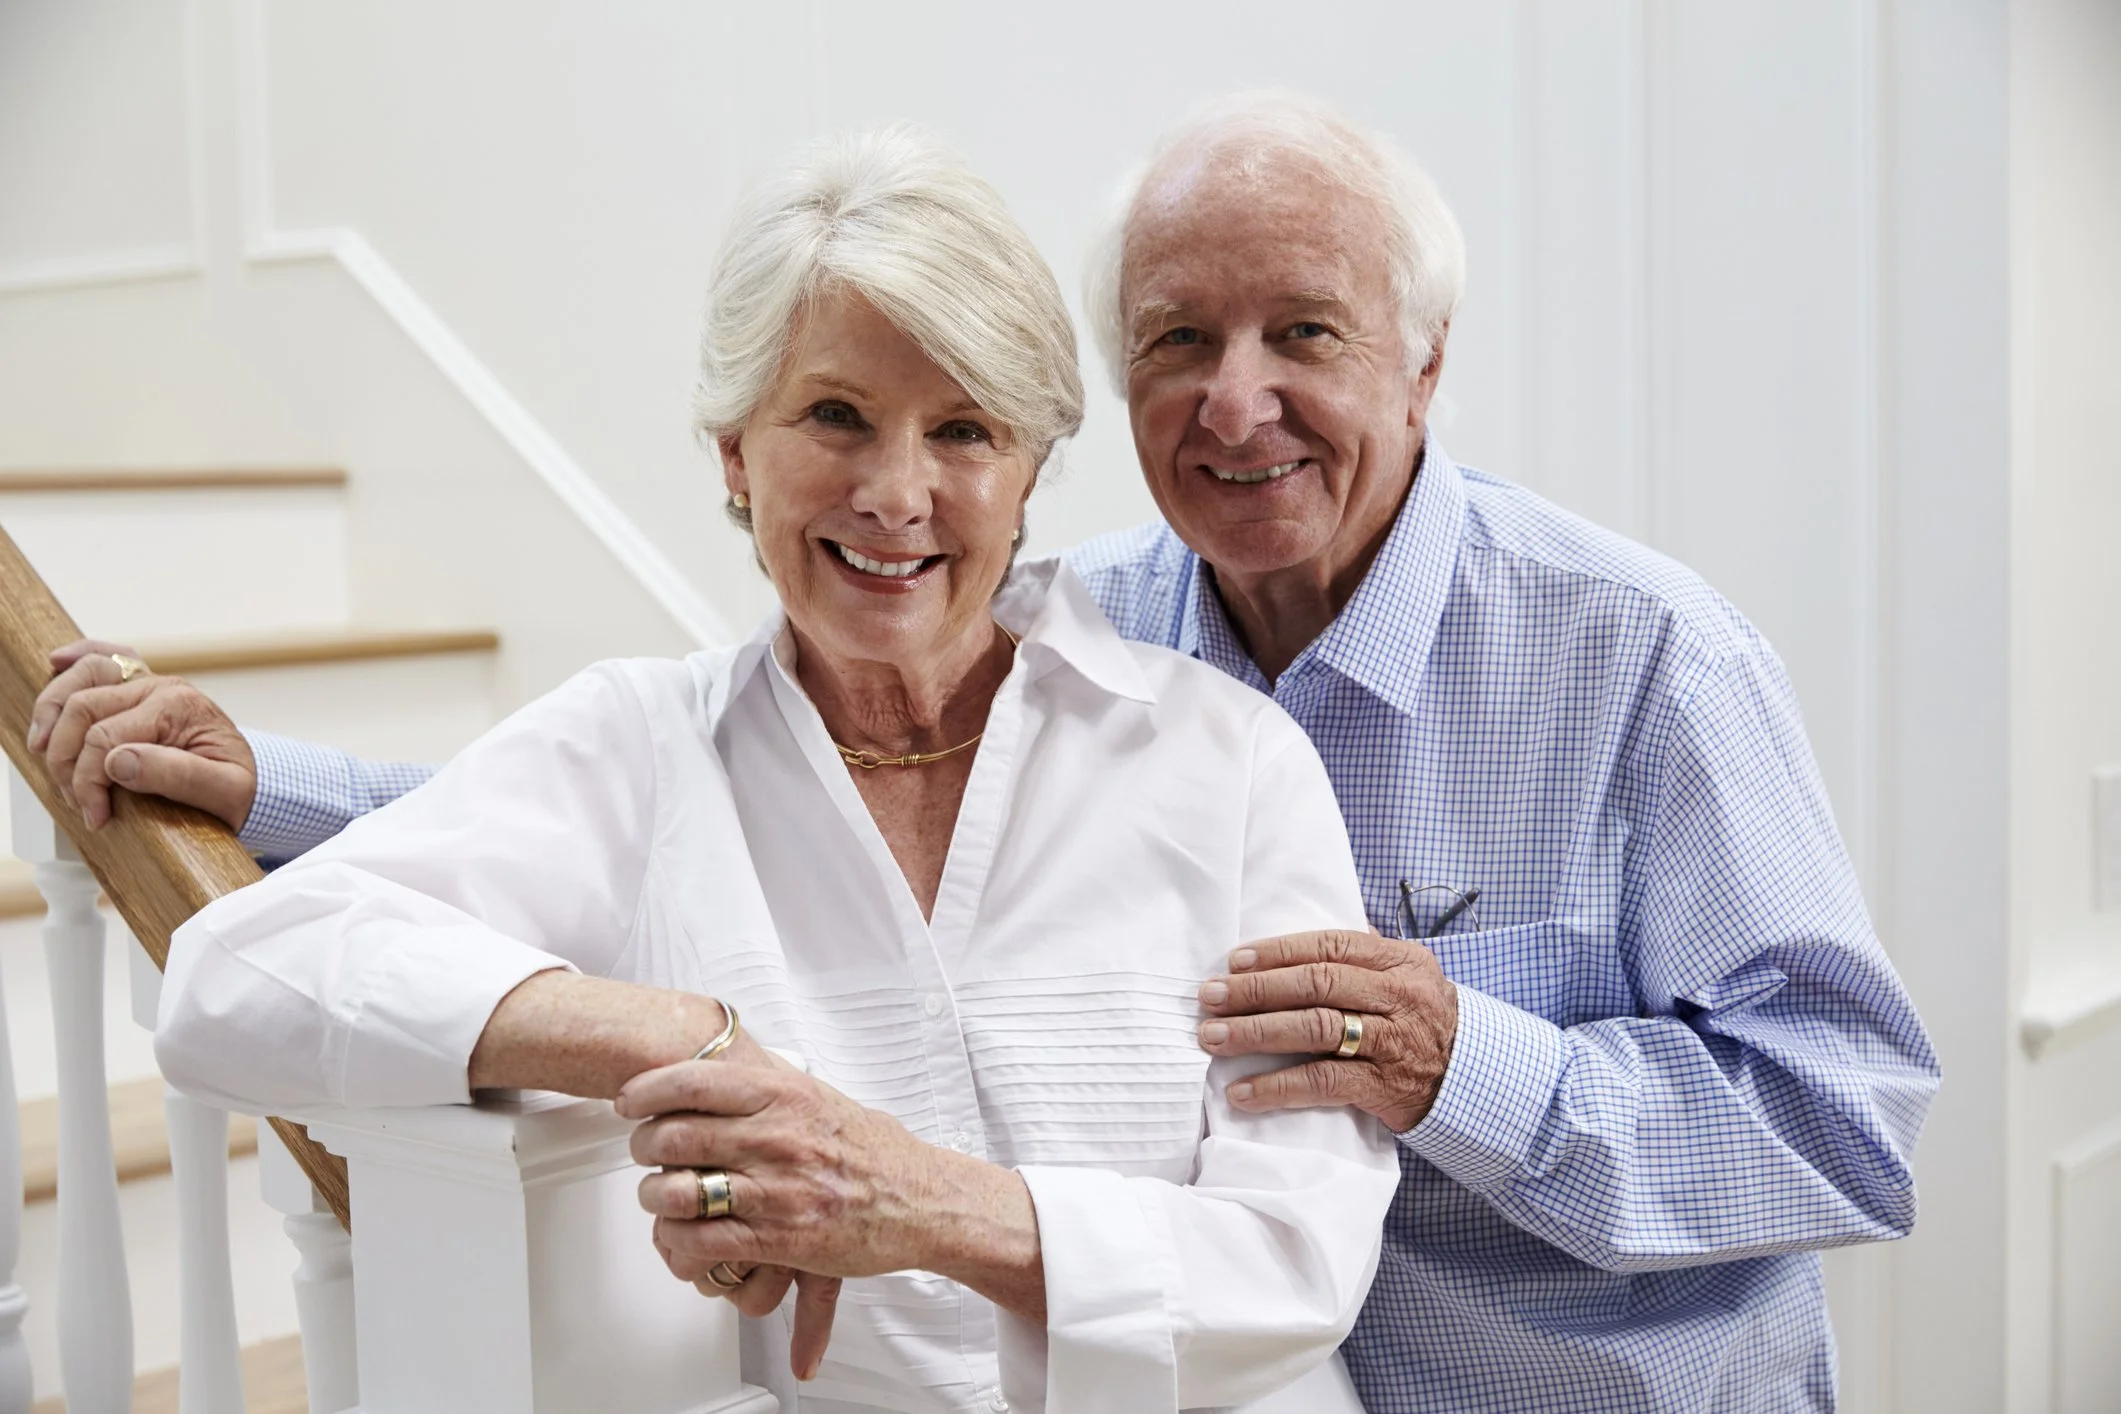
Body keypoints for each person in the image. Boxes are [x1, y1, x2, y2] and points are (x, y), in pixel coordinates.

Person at [31, 93, 1939, 1413]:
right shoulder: (1094, 608)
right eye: (1179, 338)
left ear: (1424, 362)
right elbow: (660, 776)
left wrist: (1464, 1058)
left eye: (1306, 332)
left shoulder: (1628, 659)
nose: (1238, 399)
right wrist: (629, 1008)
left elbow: (1843, 1113)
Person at [134, 129, 1401, 1414]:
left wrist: (916, 1204)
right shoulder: (641, 747)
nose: (896, 494)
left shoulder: (1231, 762)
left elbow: (1298, 1261)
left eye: (963, 430)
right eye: (836, 416)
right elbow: (229, 977)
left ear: (1028, 476)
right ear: (738, 451)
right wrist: (671, 1032)